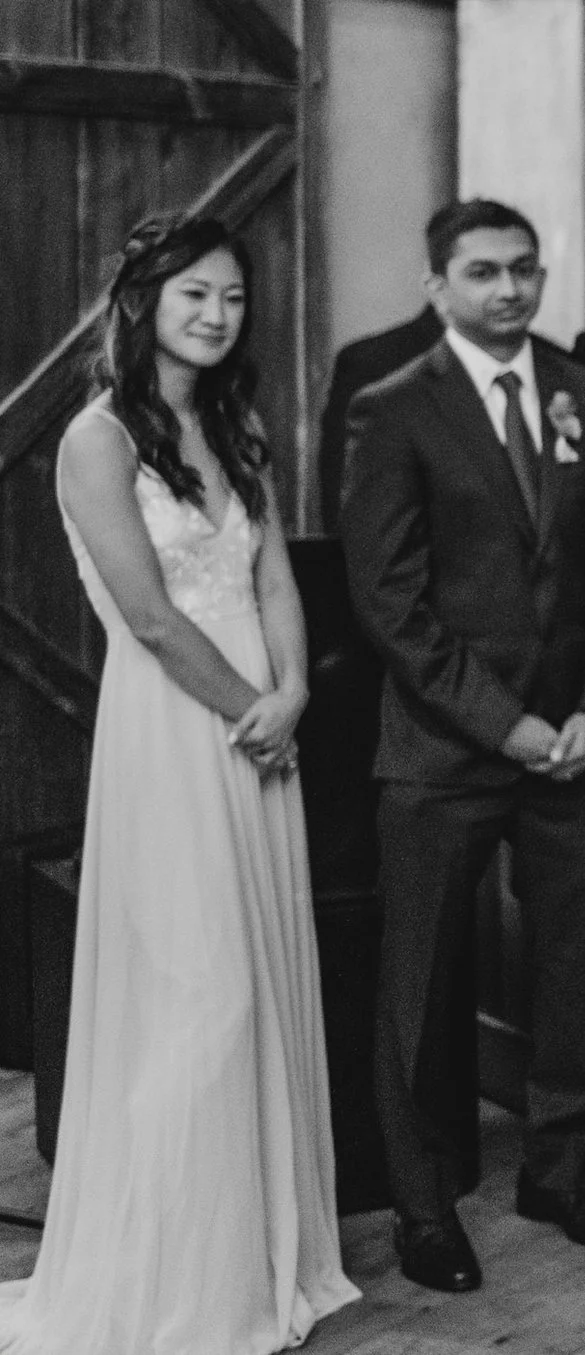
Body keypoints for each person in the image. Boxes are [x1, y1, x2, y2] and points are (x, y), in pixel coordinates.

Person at [1, 216, 358, 1351]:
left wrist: (293, 689)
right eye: (195, 293)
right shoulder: (96, 439)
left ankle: (261, 1258)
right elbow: (149, 614)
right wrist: (243, 707)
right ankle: (178, 1285)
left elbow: (273, 574)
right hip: (174, 731)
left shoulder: (235, 424)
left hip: (263, 724)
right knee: (198, 1000)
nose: (216, 313)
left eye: (234, 298)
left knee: (257, 982)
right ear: (145, 300)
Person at [340, 198, 585, 1293]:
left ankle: (562, 1174)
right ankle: (424, 1207)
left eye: (524, 269)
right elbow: (387, 600)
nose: (509, 289)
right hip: (444, 749)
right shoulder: (391, 410)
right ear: (439, 287)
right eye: (483, 272)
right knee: (421, 982)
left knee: (577, 965)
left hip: (574, 742)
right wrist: (501, 721)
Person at [318, 302, 441, 531]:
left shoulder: (528, 360)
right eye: (482, 272)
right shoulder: (375, 365)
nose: (508, 290)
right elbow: (348, 516)